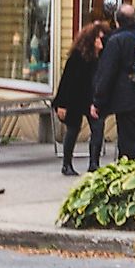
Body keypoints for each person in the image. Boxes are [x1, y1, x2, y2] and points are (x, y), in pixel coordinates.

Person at [91, 2, 135, 159]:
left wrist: (98, 102)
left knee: (129, 147)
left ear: (117, 21)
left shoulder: (116, 41)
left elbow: (107, 73)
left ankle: (131, 177)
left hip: (126, 102)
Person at [54, 14, 110, 176]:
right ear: (90, 40)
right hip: (75, 98)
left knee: (98, 128)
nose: (101, 43)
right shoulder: (78, 57)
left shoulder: (103, 57)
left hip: (93, 99)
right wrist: (61, 103)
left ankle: (94, 163)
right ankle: (67, 164)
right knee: (73, 129)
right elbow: (67, 80)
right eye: (98, 39)